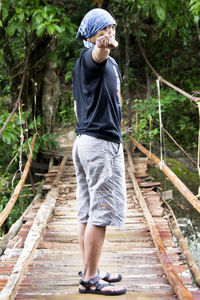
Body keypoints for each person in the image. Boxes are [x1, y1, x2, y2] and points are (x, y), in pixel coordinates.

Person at [72, 8, 126, 296]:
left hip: (84, 141)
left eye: (113, 29)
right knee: (100, 213)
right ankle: (90, 278)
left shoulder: (88, 64)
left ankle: (88, 268)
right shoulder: (92, 57)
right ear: (91, 36)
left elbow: (79, 105)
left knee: (86, 212)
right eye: (104, 30)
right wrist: (102, 47)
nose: (110, 34)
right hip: (99, 144)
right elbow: (98, 55)